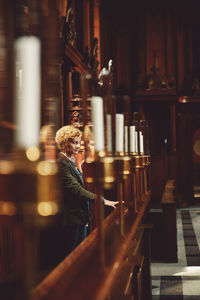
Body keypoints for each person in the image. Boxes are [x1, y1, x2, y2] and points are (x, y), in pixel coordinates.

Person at [55, 125, 118, 255]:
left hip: (80, 217)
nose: (78, 146)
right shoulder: (61, 164)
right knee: (73, 256)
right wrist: (102, 200)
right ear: (65, 143)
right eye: (75, 143)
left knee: (80, 254)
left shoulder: (70, 162)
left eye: (79, 142)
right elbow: (77, 190)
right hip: (72, 219)